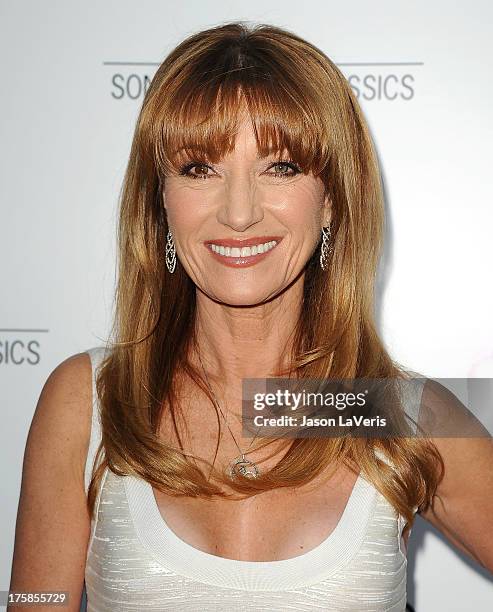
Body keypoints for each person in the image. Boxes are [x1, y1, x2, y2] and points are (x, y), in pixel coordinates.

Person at [8, 21, 493, 612]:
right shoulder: (89, 399)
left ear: (332, 200)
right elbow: (34, 600)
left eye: (280, 167)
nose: (239, 213)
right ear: (158, 201)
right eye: (199, 169)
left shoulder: (396, 410)